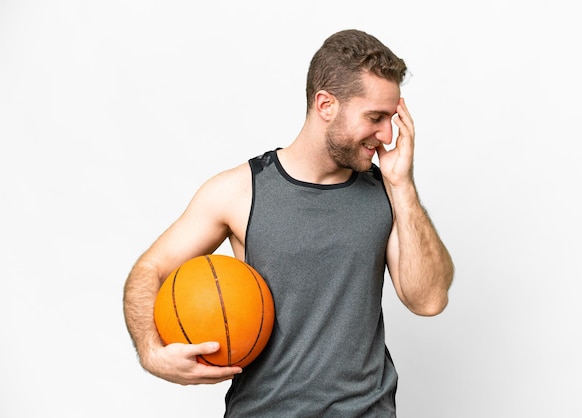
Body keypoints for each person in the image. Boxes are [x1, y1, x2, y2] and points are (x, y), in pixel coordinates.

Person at [123, 29, 454, 417]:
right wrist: (151, 351)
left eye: (391, 118)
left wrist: (402, 185)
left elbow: (429, 299)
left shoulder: (388, 193)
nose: (386, 135)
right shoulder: (238, 191)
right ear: (326, 104)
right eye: (375, 118)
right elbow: (150, 269)